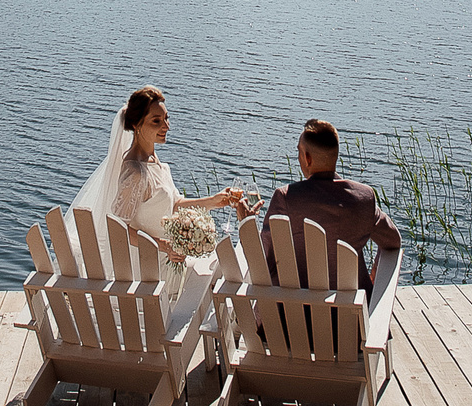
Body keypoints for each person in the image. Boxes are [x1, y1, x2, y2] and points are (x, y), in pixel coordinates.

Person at [70, 85, 253, 273]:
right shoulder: (135, 173)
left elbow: (174, 205)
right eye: (156, 121)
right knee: (219, 269)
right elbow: (118, 230)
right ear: (136, 125)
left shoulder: (156, 164)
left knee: (219, 265)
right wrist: (164, 246)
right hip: (147, 267)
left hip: (166, 257)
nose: (166, 126)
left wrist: (214, 201)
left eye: (166, 118)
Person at [264, 118, 401, 288]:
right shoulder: (364, 197)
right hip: (351, 311)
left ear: (307, 158)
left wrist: (244, 219)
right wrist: (374, 273)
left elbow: (264, 260)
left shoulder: (285, 197)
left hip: (292, 311)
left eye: (299, 151)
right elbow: (393, 240)